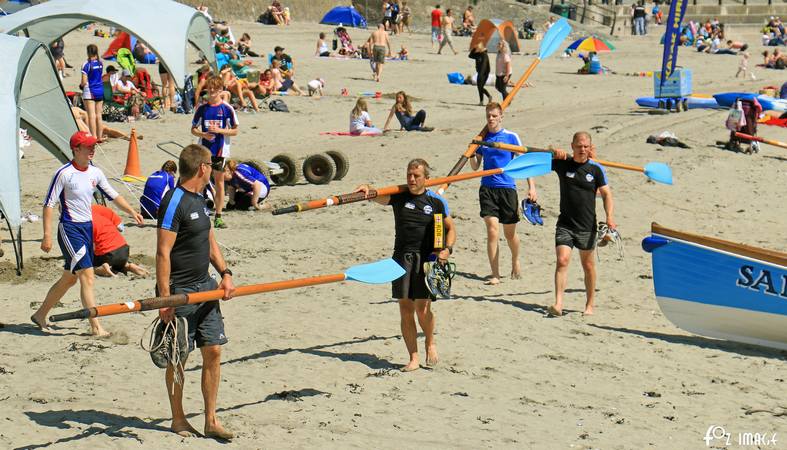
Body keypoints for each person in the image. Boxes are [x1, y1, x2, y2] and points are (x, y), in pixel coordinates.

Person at [156, 144, 236, 440]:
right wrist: (166, 299)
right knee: (179, 357)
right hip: (179, 290)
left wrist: (225, 274)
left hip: (206, 286)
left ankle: (211, 420)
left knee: (213, 350)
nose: (214, 169)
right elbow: (162, 252)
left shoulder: (201, 199)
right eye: (211, 165)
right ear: (202, 168)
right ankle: (178, 419)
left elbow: (209, 239)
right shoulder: (174, 200)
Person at [30, 131, 144, 335]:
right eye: (88, 146)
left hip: (87, 229)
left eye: (93, 146)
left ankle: (40, 314)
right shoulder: (64, 173)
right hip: (70, 229)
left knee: (69, 278)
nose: (92, 149)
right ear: (76, 149)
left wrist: (132, 212)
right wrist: (47, 235)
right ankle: (96, 326)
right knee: (87, 276)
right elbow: (48, 205)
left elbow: (113, 195)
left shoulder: (95, 172)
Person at [355, 159, 456, 371]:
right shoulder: (399, 197)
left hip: (427, 259)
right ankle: (413, 358)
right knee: (405, 308)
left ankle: (430, 341)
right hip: (401, 259)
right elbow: (377, 197)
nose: (411, 179)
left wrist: (447, 249)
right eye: (409, 175)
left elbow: (450, 229)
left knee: (422, 308)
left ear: (426, 178)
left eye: (416, 175)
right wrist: (368, 190)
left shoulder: (435, 202)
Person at [548, 132, 614, 316]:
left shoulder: (596, 169)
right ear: (572, 146)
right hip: (565, 224)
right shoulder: (563, 164)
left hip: (587, 226)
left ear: (590, 147)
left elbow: (607, 194)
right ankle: (558, 304)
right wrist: (554, 151)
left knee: (588, 266)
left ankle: (590, 305)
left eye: (585, 146)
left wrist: (609, 217)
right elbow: (541, 156)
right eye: (579, 146)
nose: (582, 149)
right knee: (562, 261)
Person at [469, 102, 536, 285]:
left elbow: (525, 163)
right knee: (492, 231)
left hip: (507, 189)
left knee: (509, 234)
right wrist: (471, 153)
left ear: (500, 117)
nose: (490, 119)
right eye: (488, 116)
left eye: (493, 116)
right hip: (487, 189)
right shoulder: (483, 138)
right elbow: (475, 167)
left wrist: (531, 187)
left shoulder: (511, 137)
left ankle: (515, 260)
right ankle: (495, 274)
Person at [191, 75, 239, 229]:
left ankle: (218, 216)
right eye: (209, 89)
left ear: (220, 90)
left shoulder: (226, 108)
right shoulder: (202, 108)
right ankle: (197, 213)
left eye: (214, 89)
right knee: (200, 181)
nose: (211, 92)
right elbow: (193, 129)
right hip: (204, 151)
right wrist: (203, 135)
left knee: (219, 182)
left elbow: (235, 130)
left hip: (219, 151)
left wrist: (219, 130)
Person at [91, 205, 148, 277]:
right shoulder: (94, 209)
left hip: (107, 253)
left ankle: (102, 268)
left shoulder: (81, 220)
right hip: (124, 248)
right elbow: (118, 226)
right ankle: (128, 266)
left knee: (86, 266)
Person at [80, 44, 104, 140]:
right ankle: (100, 137)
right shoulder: (100, 63)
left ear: (88, 52)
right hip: (100, 89)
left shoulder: (86, 64)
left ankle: (93, 137)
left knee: (91, 116)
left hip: (90, 90)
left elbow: (84, 81)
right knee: (99, 115)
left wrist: (81, 86)